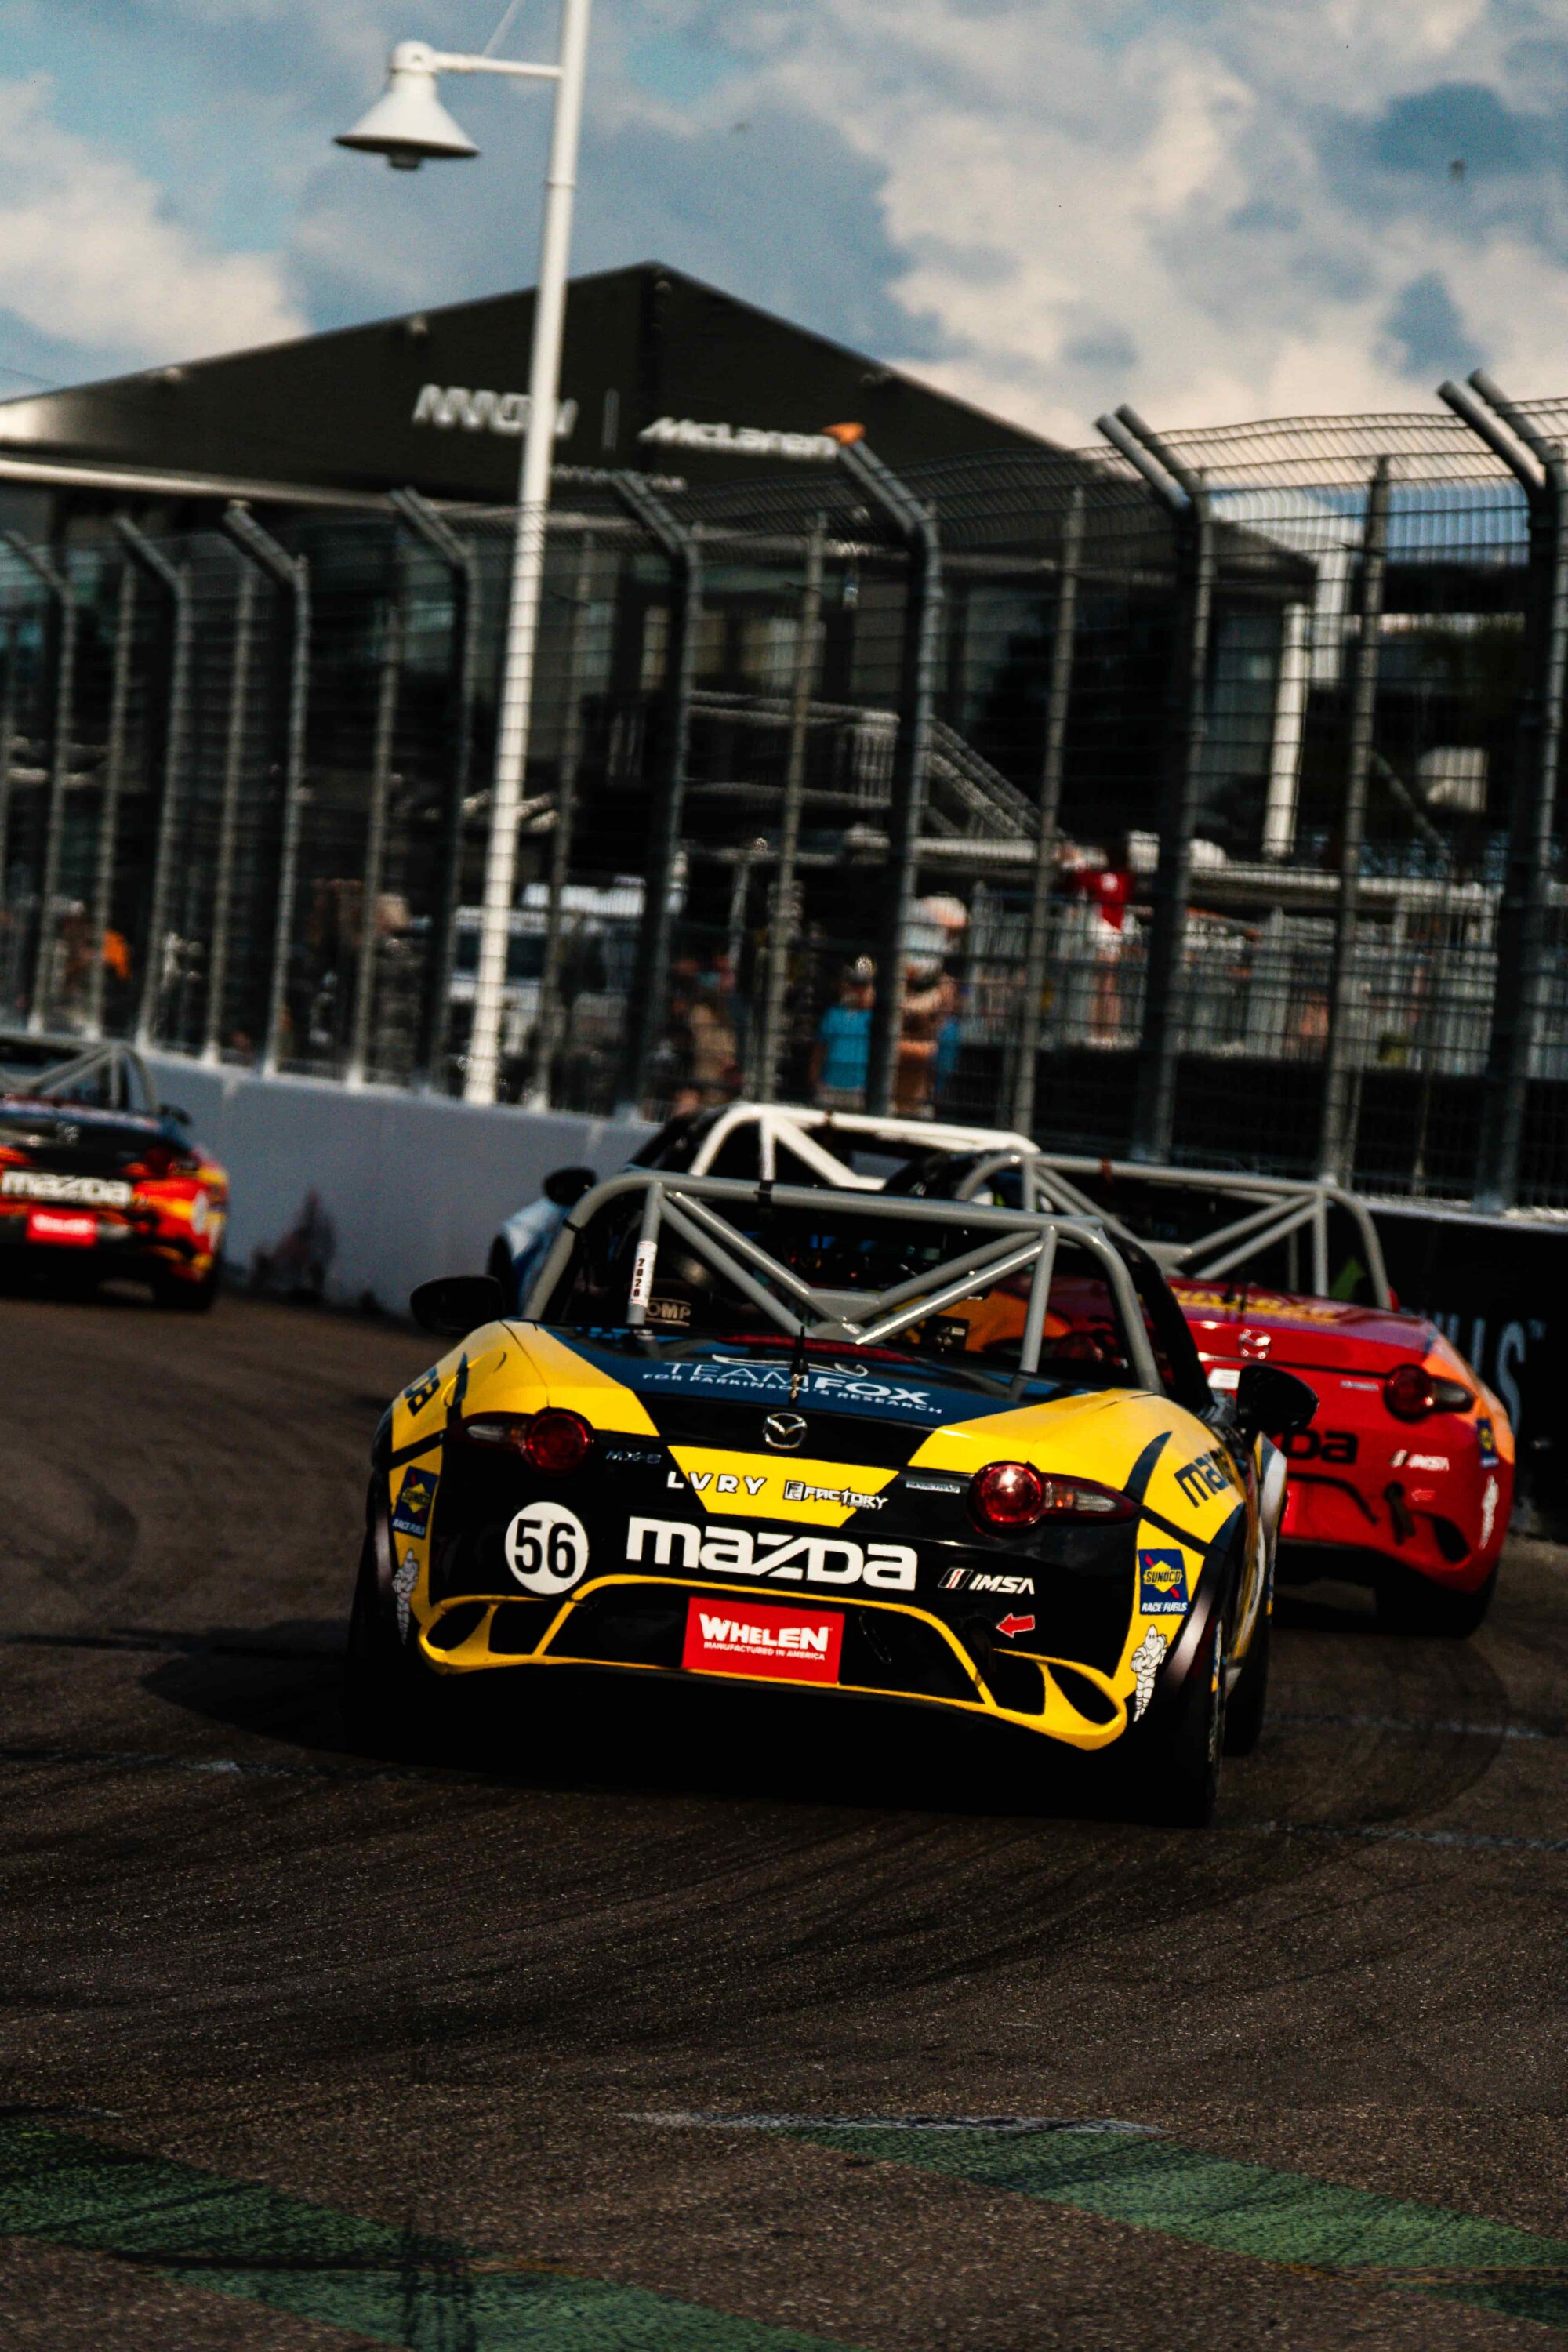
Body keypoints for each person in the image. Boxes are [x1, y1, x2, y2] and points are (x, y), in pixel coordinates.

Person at [810, 957, 874, 1109]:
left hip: (859, 1090)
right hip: (829, 1087)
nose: (857, 990)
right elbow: (819, 1052)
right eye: (854, 984)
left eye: (863, 985)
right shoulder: (833, 1014)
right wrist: (816, 1083)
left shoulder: (874, 1018)